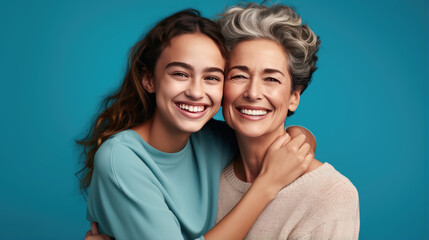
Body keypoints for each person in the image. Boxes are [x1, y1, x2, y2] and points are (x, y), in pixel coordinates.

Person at [79, 9, 316, 240]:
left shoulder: (213, 139)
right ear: (148, 79)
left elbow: (268, 141)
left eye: (212, 77)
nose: (195, 92)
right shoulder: (119, 159)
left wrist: (301, 135)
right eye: (180, 74)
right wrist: (266, 185)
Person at [215, 3, 360, 239]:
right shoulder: (203, 169)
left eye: (271, 79)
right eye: (239, 76)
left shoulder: (329, 194)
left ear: (294, 97)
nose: (252, 93)